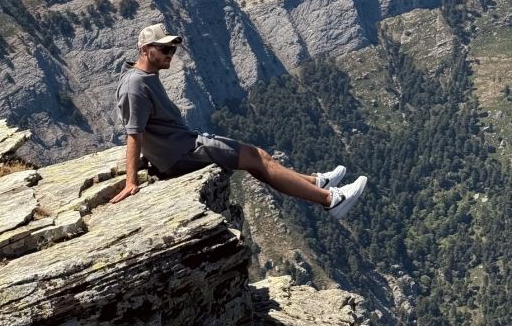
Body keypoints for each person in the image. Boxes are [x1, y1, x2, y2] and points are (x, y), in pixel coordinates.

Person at [110, 23, 367, 220]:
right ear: (145, 50)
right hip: (182, 153)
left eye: (173, 49)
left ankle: (314, 182)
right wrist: (131, 181)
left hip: (183, 146)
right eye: (164, 49)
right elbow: (134, 133)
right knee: (257, 157)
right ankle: (330, 200)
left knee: (260, 157)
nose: (170, 54)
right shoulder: (136, 85)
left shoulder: (143, 77)